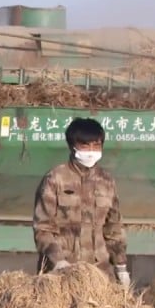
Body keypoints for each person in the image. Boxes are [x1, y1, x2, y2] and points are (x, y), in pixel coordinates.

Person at [33, 117, 129, 284]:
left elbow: (113, 227)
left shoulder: (106, 181)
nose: (91, 150)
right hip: (61, 273)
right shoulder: (55, 179)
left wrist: (121, 266)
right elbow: (43, 228)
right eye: (85, 145)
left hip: (100, 273)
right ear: (72, 146)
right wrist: (59, 261)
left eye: (96, 145)